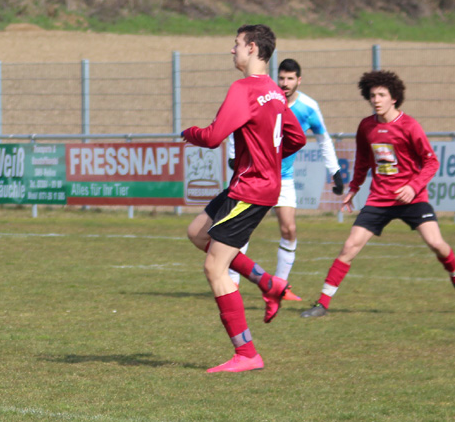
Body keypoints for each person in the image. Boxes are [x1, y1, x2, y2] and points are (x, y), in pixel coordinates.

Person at [182, 24, 306, 373]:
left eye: (235, 44)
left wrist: (187, 132)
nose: (231, 50)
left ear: (252, 48)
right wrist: (262, 156)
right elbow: (296, 139)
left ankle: (247, 353)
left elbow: (211, 137)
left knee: (214, 268)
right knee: (198, 234)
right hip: (252, 183)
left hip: (251, 188)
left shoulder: (244, 89)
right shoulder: (273, 91)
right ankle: (269, 284)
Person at [301, 71, 455, 317]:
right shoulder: (366, 126)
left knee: (437, 244)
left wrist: (413, 187)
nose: (376, 99)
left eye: (382, 95)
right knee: (350, 246)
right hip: (379, 199)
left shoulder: (410, 126)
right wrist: (354, 188)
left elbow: (431, 162)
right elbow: (363, 160)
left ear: (394, 98)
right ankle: (322, 304)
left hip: (411, 199)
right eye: (373, 95)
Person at [228, 59, 344, 301]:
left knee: (289, 229)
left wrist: (335, 171)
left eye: (290, 78)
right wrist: (232, 156)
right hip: (255, 175)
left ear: (299, 81)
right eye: (282, 78)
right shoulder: (266, 99)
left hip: (284, 178)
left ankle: (278, 288)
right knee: (241, 230)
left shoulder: (308, 107)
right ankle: (232, 285)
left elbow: (323, 139)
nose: (285, 83)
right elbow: (237, 124)